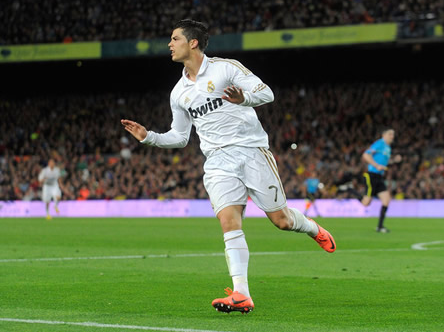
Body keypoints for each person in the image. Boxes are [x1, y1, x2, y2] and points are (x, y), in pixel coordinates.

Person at [121, 19, 336, 314]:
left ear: (192, 42)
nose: (169, 45)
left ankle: (313, 228)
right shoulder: (179, 92)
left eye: (174, 39)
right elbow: (181, 137)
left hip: (251, 152)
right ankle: (241, 293)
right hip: (217, 162)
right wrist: (149, 137)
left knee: (282, 221)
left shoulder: (226, 68)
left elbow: (267, 93)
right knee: (229, 223)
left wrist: (244, 98)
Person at [357, 128, 399, 233]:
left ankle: (380, 227)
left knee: (386, 200)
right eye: (390, 134)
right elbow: (366, 155)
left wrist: (394, 160)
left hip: (379, 176)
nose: (392, 136)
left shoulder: (388, 148)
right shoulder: (379, 143)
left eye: (393, 135)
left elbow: (384, 163)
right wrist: (376, 165)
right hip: (372, 175)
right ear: (383, 135)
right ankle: (348, 189)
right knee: (366, 203)